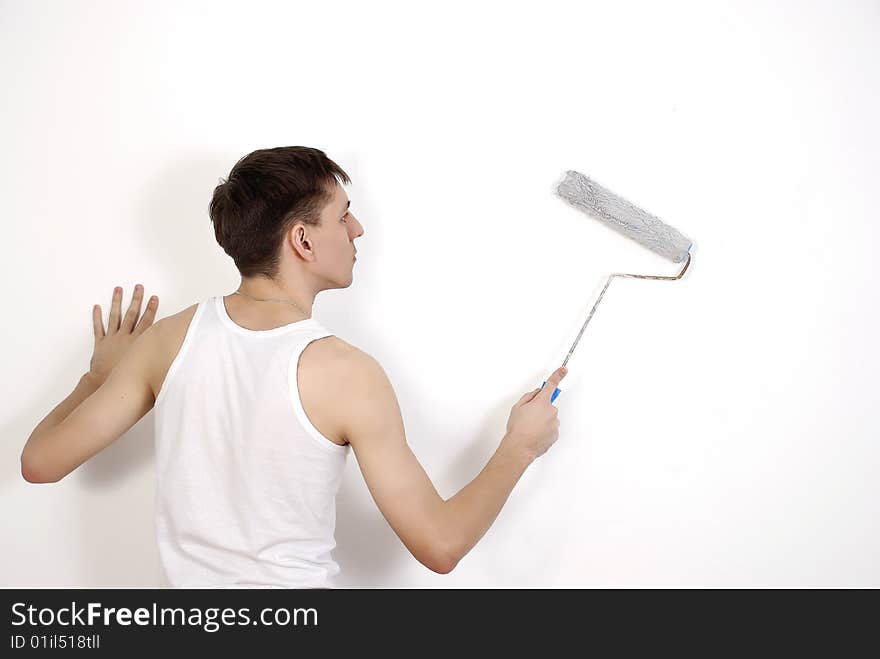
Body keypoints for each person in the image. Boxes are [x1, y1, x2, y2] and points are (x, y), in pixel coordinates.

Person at [20, 146, 568, 588]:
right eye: (342, 214)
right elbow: (440, 546)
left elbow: (39, 462)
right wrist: (519, 446)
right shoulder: (346, 373)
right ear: (302, 240)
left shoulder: (165, 342)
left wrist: (94, 379)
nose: (357, 230)